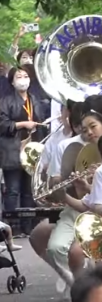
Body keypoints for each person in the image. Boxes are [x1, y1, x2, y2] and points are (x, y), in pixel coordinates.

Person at [0, 65, 50, 238]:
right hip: (12, 150)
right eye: (19, 77)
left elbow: (41, 121)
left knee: (29, 190)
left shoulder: (35, 99)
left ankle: (28, 227)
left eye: (25, 76)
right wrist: (22, 124)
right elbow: (2, 124)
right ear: (12, 82)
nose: (23, 80)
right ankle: (12, 228)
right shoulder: (5, 101)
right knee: (13, 190)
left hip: (32, 150)